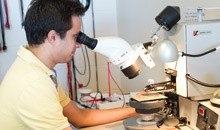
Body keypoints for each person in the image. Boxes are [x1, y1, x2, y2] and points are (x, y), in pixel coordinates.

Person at [0, 0, 137, 130]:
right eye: (75, 36)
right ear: (53, 37)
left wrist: (135, 110)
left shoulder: (36, 68)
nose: (78, 44)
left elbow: (80, 117)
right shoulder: (34, 83)